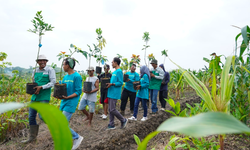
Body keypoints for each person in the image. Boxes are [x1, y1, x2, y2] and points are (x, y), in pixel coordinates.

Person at [21, 54, 56, 143]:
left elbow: (53, 82)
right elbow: (34, 82)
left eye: (44, 60)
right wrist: (34, 89)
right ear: (37, 62)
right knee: (31, 116)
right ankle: (32, 137)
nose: (42, 62)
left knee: (42, 116)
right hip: (35, 96)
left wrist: (42, 87)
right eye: (40, 60)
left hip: (44, 96)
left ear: (46, 62)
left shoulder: (50, 70)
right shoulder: (35, 71)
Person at [58, 58, 83, 150]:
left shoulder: (77, 76)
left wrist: (68, 97)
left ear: (68, 65)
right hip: (64, 102)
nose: (63, 66)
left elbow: (78, 91)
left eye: (64, 64)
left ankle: (76, 137)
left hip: (71, 103)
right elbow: (63, 89)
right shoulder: (65, 77)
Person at [106, 57, 128, 130]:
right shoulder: (114, 72)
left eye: (112, 62)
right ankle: (111, 124)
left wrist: (112, 84)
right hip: (110, 92)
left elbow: (120, 82)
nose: (111, 63)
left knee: (112, 109)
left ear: (115, 63)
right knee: (110, 109)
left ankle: (123, 120)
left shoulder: (119, 71)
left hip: (114, 93)